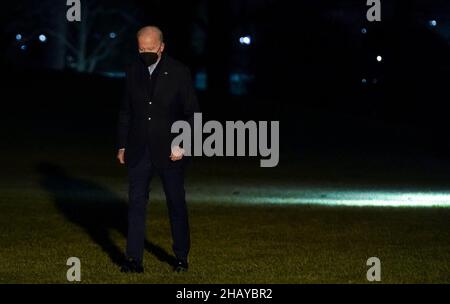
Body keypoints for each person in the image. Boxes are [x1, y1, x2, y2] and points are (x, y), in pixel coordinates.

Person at [117, 25, 199, 273]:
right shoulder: (132, 71)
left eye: (150, 49)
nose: (146, 53)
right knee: (136, 204)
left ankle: (181, 257)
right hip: (139, 149)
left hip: (171, 151)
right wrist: (121, 144)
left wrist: (183, 144)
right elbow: (126, 111)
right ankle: (134, 260)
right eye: (142, 49)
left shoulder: (179, 73)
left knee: (175, 203)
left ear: (162, 47)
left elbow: (193, 113)